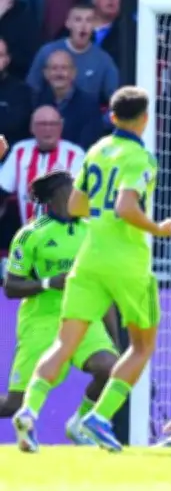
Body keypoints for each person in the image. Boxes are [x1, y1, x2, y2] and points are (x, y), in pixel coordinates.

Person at [11, 86, 171, 453]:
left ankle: (29, 412)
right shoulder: (140, 157)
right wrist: (159, 228)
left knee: (63, 344)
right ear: (145, 119)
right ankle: (99, 417)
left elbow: (75, 205)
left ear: (112, 117)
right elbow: (126, 207)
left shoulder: (96, 150)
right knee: (142, 347)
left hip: (89, 258)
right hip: (127, 263)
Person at [2, 171, 118, 447]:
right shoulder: (30, 234)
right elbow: (11, 286)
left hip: (83, 316)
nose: (81, 195)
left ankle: (79, 423)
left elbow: (103, 287)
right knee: (13, 404)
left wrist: (115, 338)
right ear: (56, 197)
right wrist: (48, 283)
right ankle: (28, 425)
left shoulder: (92, 232)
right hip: (42, 320)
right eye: (74, 190)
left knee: (110, 368)